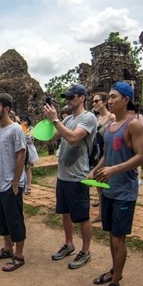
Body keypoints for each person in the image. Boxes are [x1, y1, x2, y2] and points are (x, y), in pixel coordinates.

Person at [90, 82, 143, 286]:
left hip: (124, 190)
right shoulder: (110, 127)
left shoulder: (134, 125)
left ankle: (115, 283)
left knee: (117, 238)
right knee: (111, 235)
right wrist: (96, 168)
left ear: (126, 100)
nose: (109, 101)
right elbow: (107, 155)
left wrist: (114, 169)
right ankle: (115, 270)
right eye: (109, 97)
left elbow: (141, 156)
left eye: (113, 97)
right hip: (109, 190)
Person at [43, 84, 97, 270]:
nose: (68, 100)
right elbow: (53, 138)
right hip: (63, 175)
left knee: (82, 217)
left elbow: (74, 138)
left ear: (82, 98)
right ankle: (69, 244)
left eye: (71, 97)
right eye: (66, 97)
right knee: (65, 213)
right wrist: (49, 122)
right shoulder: (67, 119)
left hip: (78, 176)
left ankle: (86, 251)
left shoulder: (88, 117)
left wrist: (56, 120)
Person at [0, 93, 28, 271]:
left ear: (6, 109)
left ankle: (19, 255)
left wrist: (16, 181)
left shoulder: (16, 129)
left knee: (15, 220)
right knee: (2, 219)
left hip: (11, 183)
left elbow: (21, 155)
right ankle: (7, 248)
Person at [91, 91, 115, 221]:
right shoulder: (96, 119)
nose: (94, 103)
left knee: (108, 184)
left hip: (107, 153)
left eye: (96, 101)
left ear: (104, 102)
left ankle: (108, 211)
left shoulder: (112, 117)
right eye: (93, 101)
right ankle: (101, 213)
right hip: (97, 153)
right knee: (99, 185)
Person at [20, 116, 39, 195]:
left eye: (24, 120)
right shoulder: (19, 128)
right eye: (21, 120)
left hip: (29, 150)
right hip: (22, 149)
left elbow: (30, 139)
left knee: (28, 168)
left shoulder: (31, 129)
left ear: (28, 121)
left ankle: (29, 187)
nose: (23, 122)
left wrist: (24, 132)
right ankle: (22, 186)